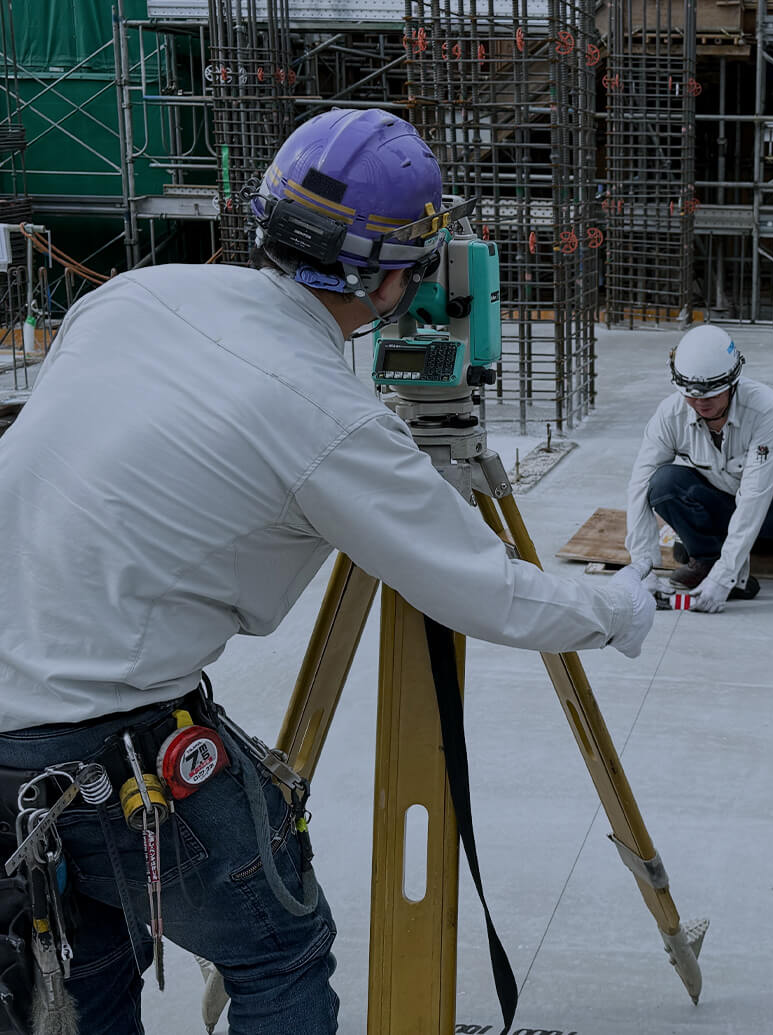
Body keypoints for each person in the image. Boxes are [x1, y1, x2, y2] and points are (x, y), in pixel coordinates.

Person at [0, 108, 654, 1035]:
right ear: (398, 276)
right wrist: (618, 609)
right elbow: (484, 590)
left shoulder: (131, 296)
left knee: (82, 965)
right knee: (278, 950)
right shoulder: (330, 418)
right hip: (114, 740)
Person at [625, 324, 773, 614]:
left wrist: (725, 578)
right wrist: (643, 567)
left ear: (733, 382)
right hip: (720, 505)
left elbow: (755, 495)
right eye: (692, 396)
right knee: (663, 483)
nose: (700, 403)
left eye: (711, 395)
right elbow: (639, 485)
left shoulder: (765, 410)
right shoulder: (670, 414)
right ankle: (706, 558)